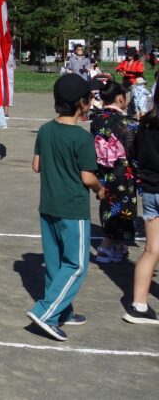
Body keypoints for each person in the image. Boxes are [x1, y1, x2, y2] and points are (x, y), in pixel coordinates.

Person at [26, 73, 105, 341]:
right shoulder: (82, 139)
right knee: (76, 265)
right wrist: (100, 189)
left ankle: (62, 311)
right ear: (82, 104)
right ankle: (46, 312)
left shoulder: (46, 129)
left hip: (48, 206)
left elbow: (36, 165)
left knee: (55, 263)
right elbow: (87, 177)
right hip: (72, 209)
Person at [90, 81, 139, 264]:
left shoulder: (97, 120)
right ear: (120, 98)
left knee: (108, 206)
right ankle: (106, 246)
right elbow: (134, 149)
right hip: (124, 171)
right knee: (124, 209)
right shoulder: (128, 122)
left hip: (104, 170)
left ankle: (117, 245)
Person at [126, 101, 159, 324]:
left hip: (150, 191)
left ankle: (139, 305)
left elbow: (134, 153)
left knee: (151, 250)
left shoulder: (146, 123)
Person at [116, 50, 145, 117]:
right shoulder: (124, 62)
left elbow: (139, 72)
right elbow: (118, 69)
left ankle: (134, 112)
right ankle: (129, 112)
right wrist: (120, 72)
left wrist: (127, 72)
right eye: (128, 54)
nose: (129, 56)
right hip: (125, 81)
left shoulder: (138, 63)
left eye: (131, 54)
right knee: (126, 97)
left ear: (134, 55)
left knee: (133, 98)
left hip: (134, 82)